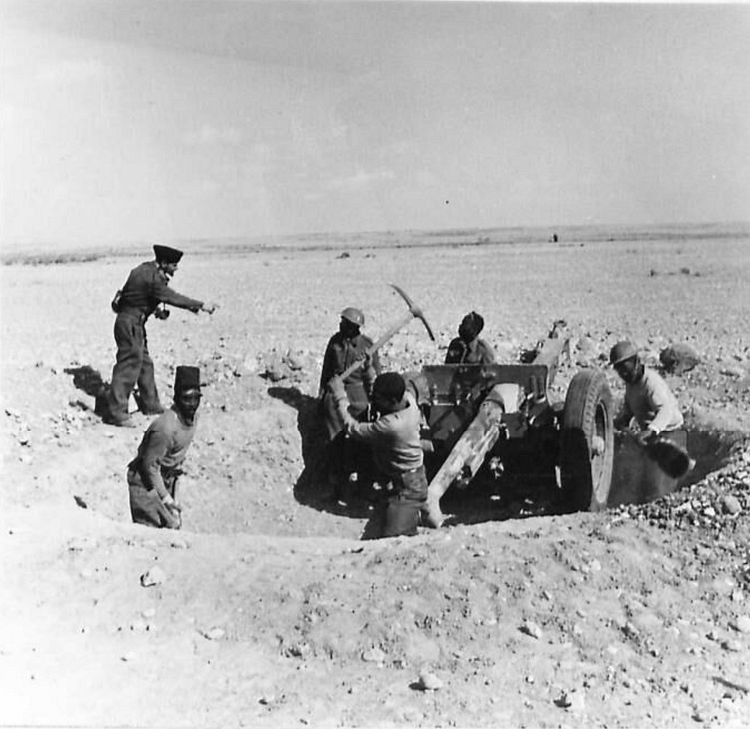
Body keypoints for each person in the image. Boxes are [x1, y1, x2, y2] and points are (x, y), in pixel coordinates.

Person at [103, 245, 217, 427]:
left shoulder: (143, 269)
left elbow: (135, 296)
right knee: (128, 367)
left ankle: (151, 405)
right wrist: (201, 305)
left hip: (133, 323)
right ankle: (117, 414)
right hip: (130, 325)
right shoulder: (153, 278)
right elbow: (172, 297)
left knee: (145, 365)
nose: (176, 268)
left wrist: (155, 310)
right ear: (163, 263)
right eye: (174, 265)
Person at [327, 372, 427, 538]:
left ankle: (415, 511)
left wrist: (339, 395)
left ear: (392, 402)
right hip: (396, 476)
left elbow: (352, 428)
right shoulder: (407, 399)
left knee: (393, 536)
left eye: (379, 399)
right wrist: (367, 369)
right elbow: (378, 395)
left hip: (411, 488)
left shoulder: (393, 425)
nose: (374, 401)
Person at [127, 366, 203, 529]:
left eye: (196, 398)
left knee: (173, 528)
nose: (192, 404)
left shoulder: (193, 418)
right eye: (186, 399)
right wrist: (166, 499)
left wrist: (174, 493)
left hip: (165, 480)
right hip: (145, 485)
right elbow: (150, 467)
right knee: (154, 538)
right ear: (176, 398)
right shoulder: (166, 429)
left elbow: (177, 458)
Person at [318, 307, 381, 498]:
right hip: (336, 392)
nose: (341, 324)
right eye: (341, 321)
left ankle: (365, 484)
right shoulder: (334, 342)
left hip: (359, 395)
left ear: (354, 327)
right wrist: (322, 395)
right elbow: (326, 371)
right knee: (335, 440)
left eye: (345, 323)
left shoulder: (367, 345)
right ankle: (338, 484)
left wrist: (375, 400)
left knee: (362, 440)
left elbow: (375, 374)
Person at [610, 340, 684, 442]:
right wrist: (618, 423)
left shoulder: (651, 382)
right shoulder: (631, 384)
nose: (623, 373)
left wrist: (652, 430)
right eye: (619, 370)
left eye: (625, 368)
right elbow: (629, 411)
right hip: (651, 432)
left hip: (670, 432)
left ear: (636, 361)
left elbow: (666, 410)